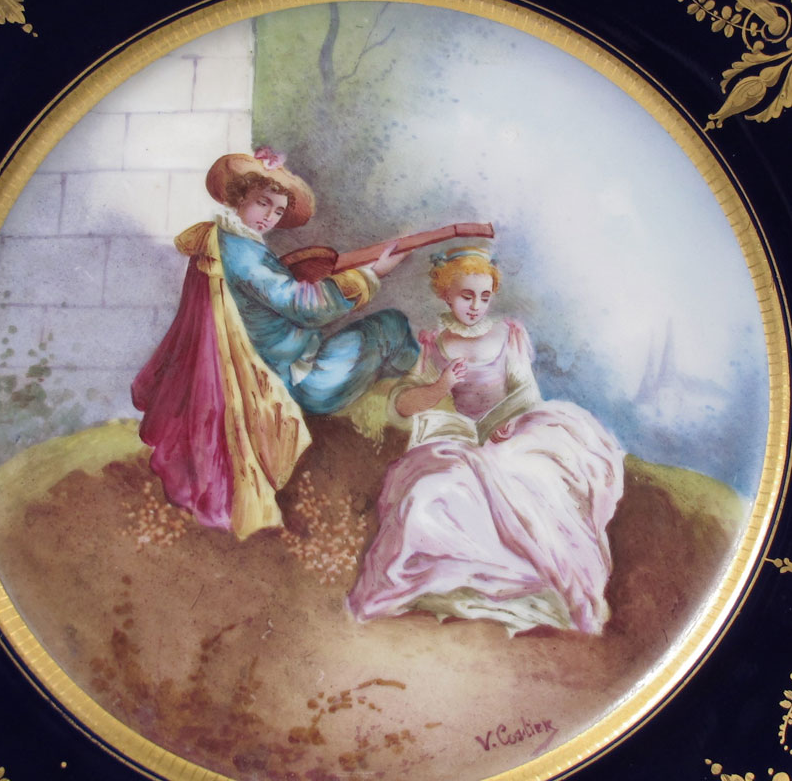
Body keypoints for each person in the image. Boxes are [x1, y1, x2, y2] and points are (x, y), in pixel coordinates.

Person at [131, 148, 419, 539]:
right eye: (262, 203)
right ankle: (408, 386)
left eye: (278, 210)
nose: (269, 216)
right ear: (239, 199)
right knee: (389, 326)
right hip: (295, 380)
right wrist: (372, 273)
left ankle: (403, 388)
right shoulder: (243, 252)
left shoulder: (225, 239)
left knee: (379, 330)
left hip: (284, 361)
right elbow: (304, 305)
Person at [347, 246, 625, 635]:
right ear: (446, 295)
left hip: (512, 435)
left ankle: (529, 585)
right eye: (466, 296)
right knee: (428, 494)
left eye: (484, 296)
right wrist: (441, 386)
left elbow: (526, 394)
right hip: (459, 438)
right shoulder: (435, 345)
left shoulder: (508, 335)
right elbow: (402, 405)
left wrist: (509, 423)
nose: (476, 306)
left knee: (532, 486)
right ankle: (450, 583)